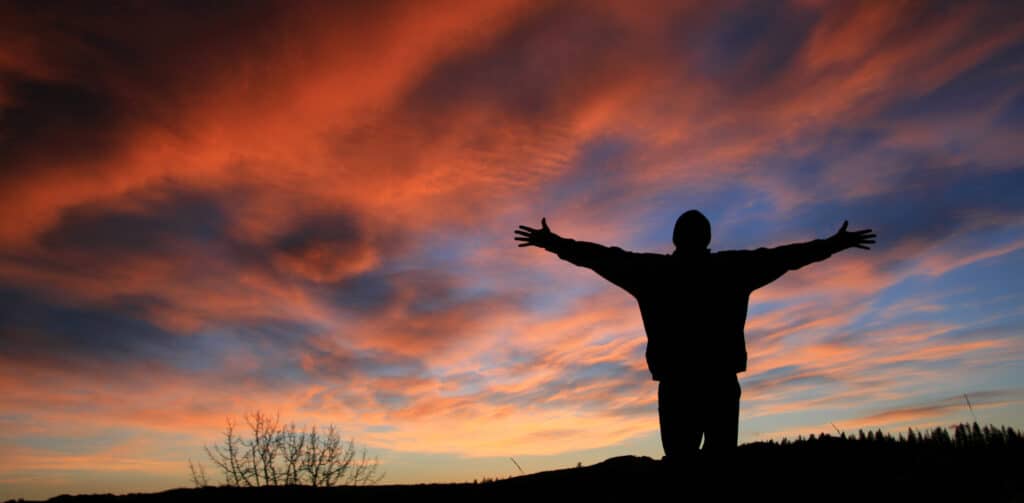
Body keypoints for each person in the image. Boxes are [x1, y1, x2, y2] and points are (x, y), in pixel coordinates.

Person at [514, 210, 875, 463]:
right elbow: (787, 257)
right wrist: (833, 243)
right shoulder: (731, 269)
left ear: (676, 238)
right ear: (707, 238)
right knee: (716, 466)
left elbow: (600, 258)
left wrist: (553, 242)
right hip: (716, 382)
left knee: (683, 465)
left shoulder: (654, 272)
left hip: (679, 385)